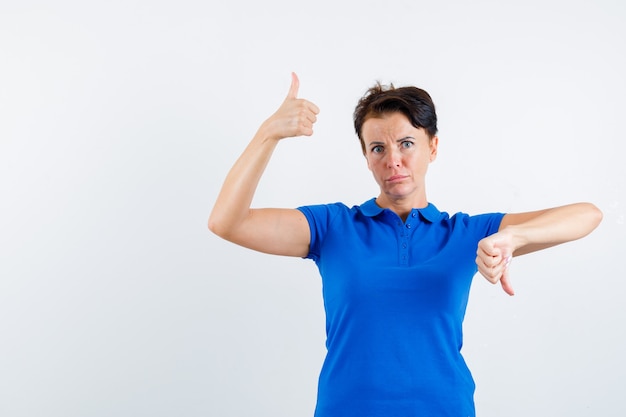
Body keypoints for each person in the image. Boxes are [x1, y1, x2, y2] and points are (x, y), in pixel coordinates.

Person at [208, 72, 602, 416]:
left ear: (432, 147)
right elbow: (228, 222)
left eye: (406, 143)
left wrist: (514, 237)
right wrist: (268, 133)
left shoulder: (466, 233)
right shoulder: (333, 227)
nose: (393, 160)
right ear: (365, 157)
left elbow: (588, 215)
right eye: (378, 148)